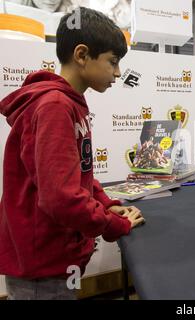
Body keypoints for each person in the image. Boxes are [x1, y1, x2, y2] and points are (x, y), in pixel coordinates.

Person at [0, 7, 145, 300]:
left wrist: (105, 204)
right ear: (82, 55)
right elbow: (61, 198)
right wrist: (113, 225)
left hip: (58, 258)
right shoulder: (54, 106)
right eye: (112, 62)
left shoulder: (69, 103)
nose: (117, 73)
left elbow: (78, 174)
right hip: (42, 267)